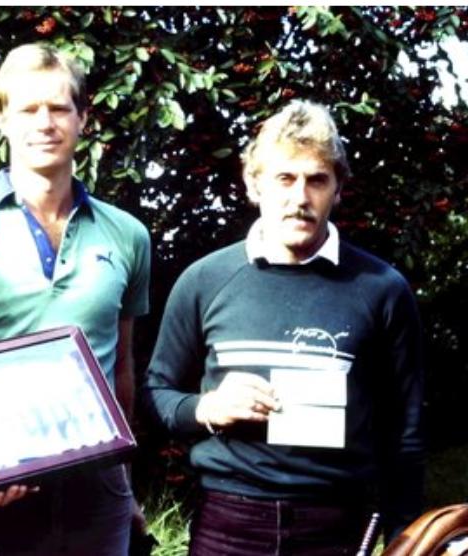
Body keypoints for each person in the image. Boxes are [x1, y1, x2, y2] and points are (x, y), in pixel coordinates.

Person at [143, 100, 424, 555]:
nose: (300, 198)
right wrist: (207, 407)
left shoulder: (382, 289)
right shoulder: (205, 280)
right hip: (228, 525)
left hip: (336, 526)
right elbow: (156, 394)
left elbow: (405, 430)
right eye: (284, 178)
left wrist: (406, 538)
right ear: (254, 184)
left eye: (317, 180)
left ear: (338, 189)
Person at [0, 42, 151, 555]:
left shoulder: (128, 234)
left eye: (59, 108)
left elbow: (122, 369)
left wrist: (125, 486)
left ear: (83, 119)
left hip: (98, 492)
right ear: (2, 120)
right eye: (28, 109)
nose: (45, 123)